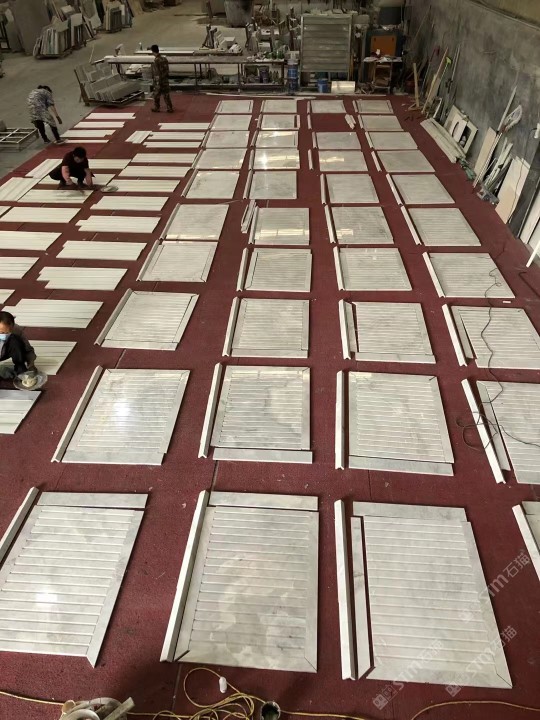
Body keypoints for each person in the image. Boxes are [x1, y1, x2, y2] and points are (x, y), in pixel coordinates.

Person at [0, 311, 37, 381]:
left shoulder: (16, 329)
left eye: (8, 332)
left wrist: (31, 364)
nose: (5, 335)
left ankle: (20, 367)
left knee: (15, 340)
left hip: (4, 351)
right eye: (2, 332)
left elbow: (28, 349)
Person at [150, 44, 173, 113]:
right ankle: (169, 107)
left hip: (159, 80)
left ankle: (157, 107)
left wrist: (156, 81)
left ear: (153, 51)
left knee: (156, 94)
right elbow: (167, 70)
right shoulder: (164, 59)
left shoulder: (156, 61)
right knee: (166, 94)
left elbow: (156, 72)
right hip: (165, 79)